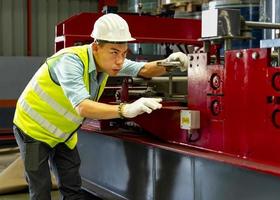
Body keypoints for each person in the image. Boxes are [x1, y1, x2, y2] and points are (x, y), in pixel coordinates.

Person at [13, 13, 188, 199]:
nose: (120, 61)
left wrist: (169, 64)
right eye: (114, 52)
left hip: (63, 135)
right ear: (96, 47)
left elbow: (143, 69)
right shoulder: (70, 62)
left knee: (72, 187)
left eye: (124, 53)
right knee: (40, 189)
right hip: (32, 130)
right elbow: (83, 107)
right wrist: (125, 109)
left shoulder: (107, 62)